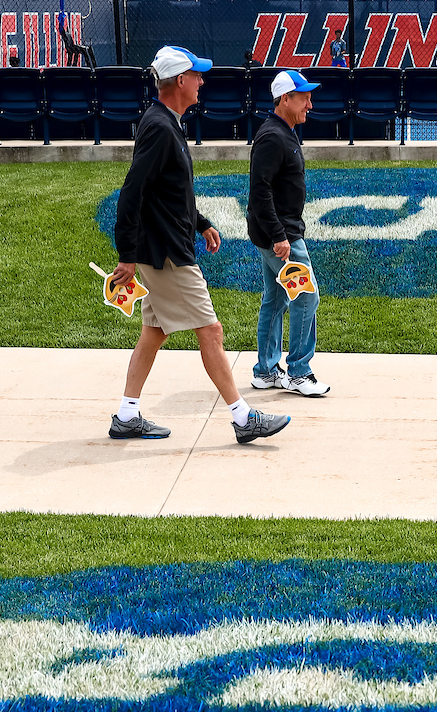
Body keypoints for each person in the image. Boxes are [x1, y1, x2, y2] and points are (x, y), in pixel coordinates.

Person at [111, 45, 290, 444]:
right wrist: (126, 255)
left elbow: (170, 192)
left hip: (167, 246)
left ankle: (126, 415)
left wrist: (202, 222)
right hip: (168, 255)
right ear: (180, 81)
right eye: (197, 75)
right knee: (211, 330)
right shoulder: (159, 126)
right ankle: (243, 419)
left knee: (153, 333)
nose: (202, 82)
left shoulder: (167, 122)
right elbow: (132, 191)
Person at [247, 70, 330, 398]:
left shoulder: (284, 132)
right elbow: (260, 191)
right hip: (282, 239)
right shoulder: (273, 137)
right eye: (304, 97)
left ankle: (266, 371)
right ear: (285, 99)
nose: (309, 103)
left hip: (275, 234)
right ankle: (298, 371)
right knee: (306, 296)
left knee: (277, 297)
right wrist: (280, 236)